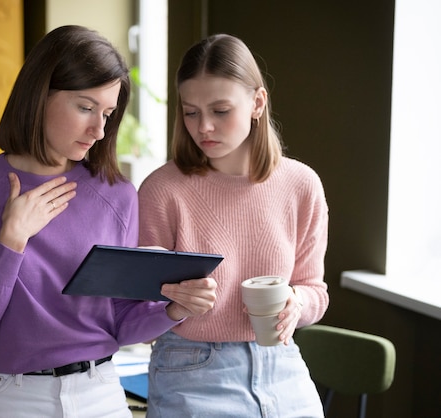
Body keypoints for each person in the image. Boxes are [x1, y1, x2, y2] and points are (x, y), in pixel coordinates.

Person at [0, 25, 217, 418]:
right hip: (5, 397)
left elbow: (118, 323)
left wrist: (174, 309)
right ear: (39, 95)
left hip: (99, 394)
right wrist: (11, 241)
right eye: (85, 107)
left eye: (107, 113)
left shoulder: (117, 194)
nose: (99, 130)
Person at [138, 34, 329, 417]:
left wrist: (297, 302)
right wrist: (175, 305)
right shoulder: (163, 190)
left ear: (258, 103)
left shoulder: (301, 184)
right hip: (191, 369)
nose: (204, 126)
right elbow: (137, 308)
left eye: (220, 110)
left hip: (283, 366)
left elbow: (315, 291)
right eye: (191, 112)